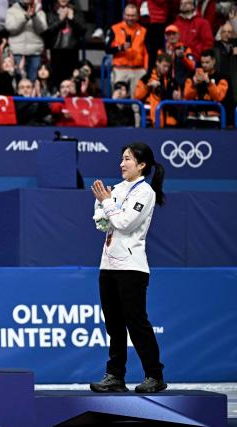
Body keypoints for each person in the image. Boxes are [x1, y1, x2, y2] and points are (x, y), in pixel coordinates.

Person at [90, 142, 167, 394]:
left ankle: (154, 375)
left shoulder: (145, 192)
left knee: (136, 322)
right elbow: (102, 225)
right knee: (113, 324)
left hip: (132, 268)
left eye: (128, 159)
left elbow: (123, 222)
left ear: (141, 165)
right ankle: (115, 376)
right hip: (108, 264)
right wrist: (100, 205)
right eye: (122, 159)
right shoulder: (117, 189)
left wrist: (107, 203)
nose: (122, 164)